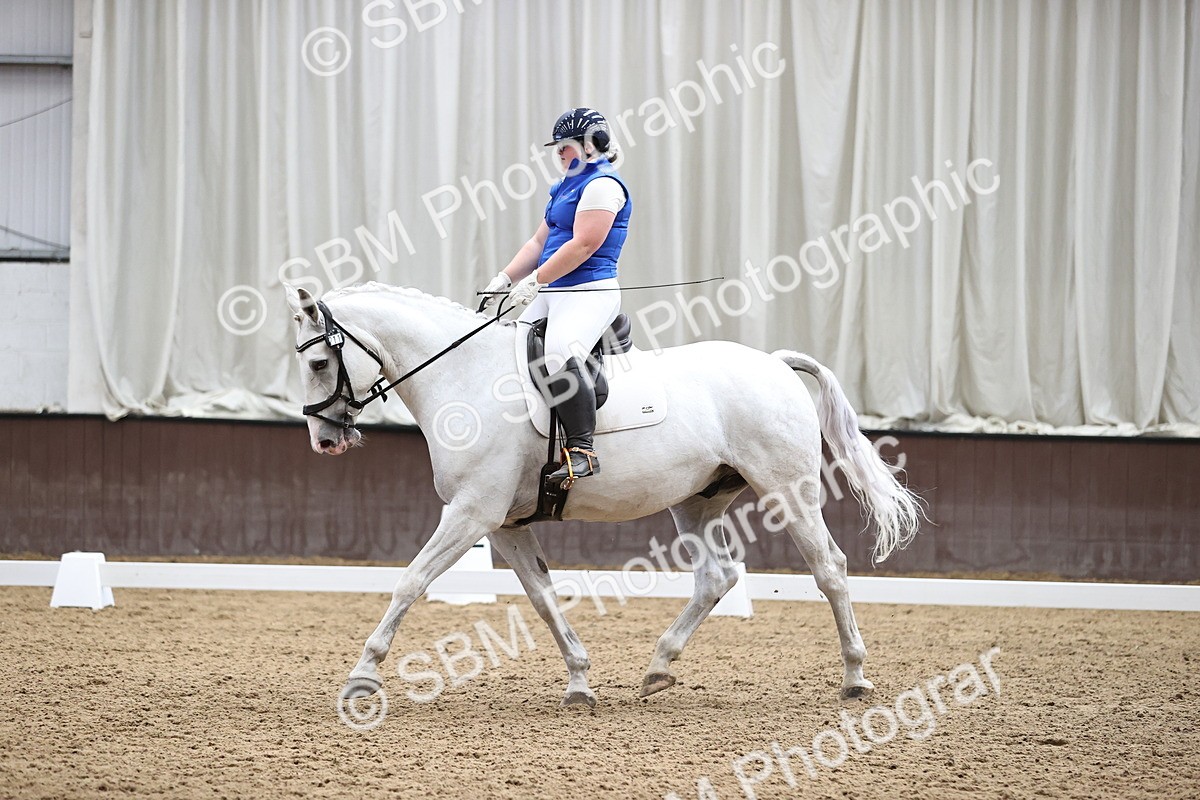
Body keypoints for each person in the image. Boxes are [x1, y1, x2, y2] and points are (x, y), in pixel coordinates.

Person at [481, 107, 631, 483]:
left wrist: (535, 280)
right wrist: (505, 277)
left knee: (559, 351)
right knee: (513, 348)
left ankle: (583, 450)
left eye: (565, 146)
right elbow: (538, 241)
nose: (559, 153)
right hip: (554, 288)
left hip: (589, 289)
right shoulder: (565, 186)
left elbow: (584, 245)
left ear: (590, 144)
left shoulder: (602, 186)